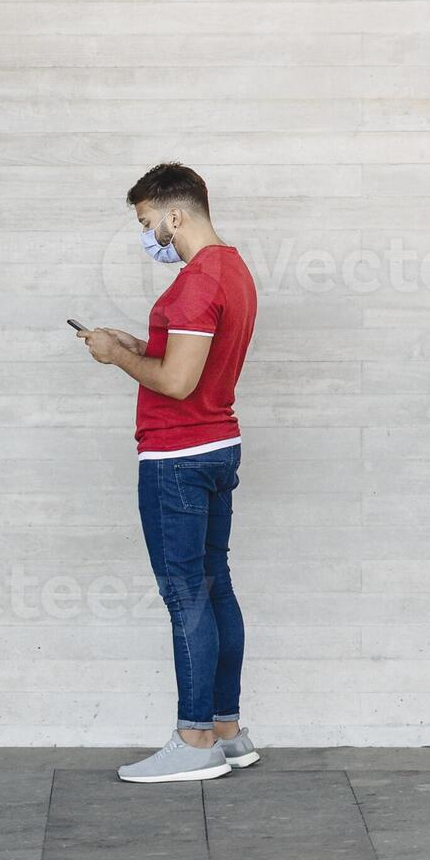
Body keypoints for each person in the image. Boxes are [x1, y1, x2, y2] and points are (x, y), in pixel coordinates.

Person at [78, 164, 262, 784]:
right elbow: (196, 364)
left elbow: (179, 383)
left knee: (186, 594)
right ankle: (229, 733)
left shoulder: (191, 284)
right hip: (218, 445)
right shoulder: (232, 271)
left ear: (172, 215)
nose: (147, 235)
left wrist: (117, 357)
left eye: (145, 222)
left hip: (177, 457)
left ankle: (194, 740)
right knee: (215, 587)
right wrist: (136, 343)